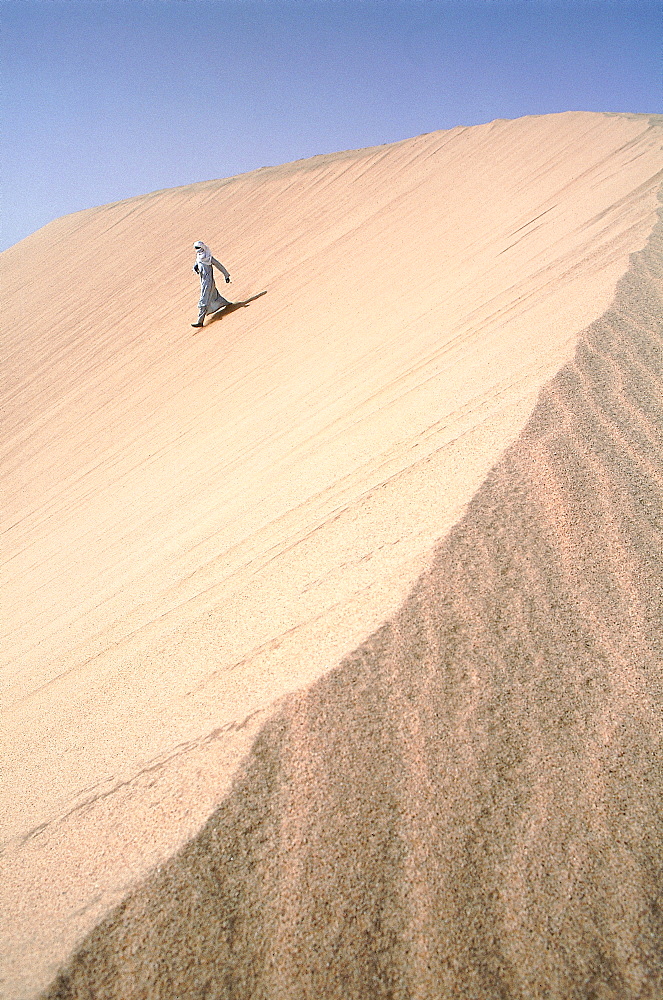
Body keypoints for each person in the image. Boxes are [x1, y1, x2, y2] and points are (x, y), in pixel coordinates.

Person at [191, 241, 231, 327]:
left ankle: (200, 321)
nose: (197, 250)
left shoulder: (208, 258)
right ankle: (228, 305)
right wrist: (195, 267)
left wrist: (226, 275)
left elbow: (219, 265)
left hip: (208, 282)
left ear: (202, 248)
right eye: (196, 248)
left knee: (203, 300)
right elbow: (197, 263)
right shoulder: (199, 257)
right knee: (214, 296)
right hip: (203, 281)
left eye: (198, 248)